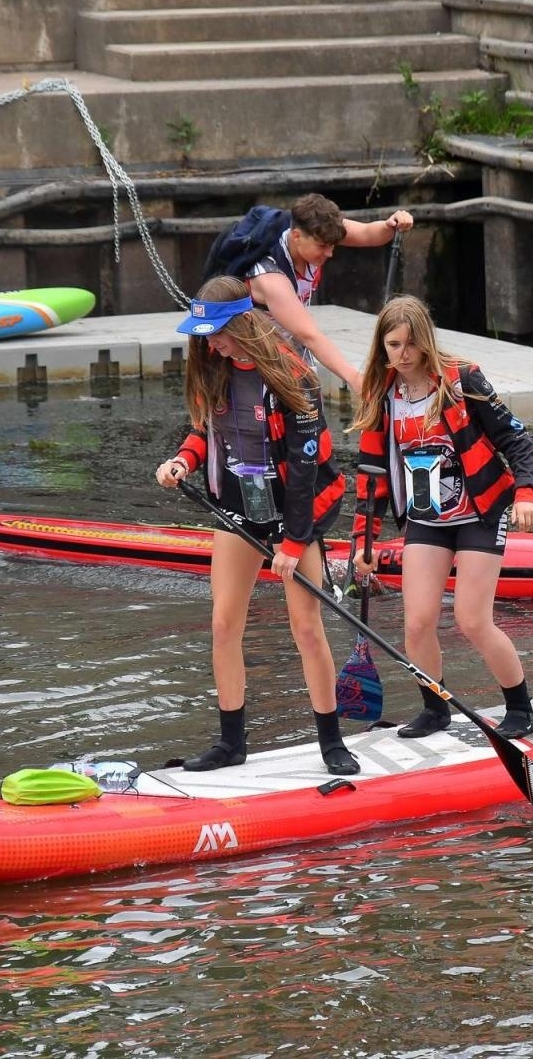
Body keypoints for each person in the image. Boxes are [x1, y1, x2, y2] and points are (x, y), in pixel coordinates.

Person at [155, 275, 358, 776]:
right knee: (224, 624)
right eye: (204, 336)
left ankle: (332, 742)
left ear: (243, 324)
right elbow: (206, 433)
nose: (211, 345)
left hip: (294, 510)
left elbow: (306, 469)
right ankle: (231, 743)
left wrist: (293, 542)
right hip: (239, 509)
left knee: (306, 628)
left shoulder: (294, 375)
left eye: (217, 334)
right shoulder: (212, 367)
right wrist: (182, 461)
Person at [349, 296, 533, 740]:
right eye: (393, 345)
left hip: (480, 510)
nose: (402, 355)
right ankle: (435, 710)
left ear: (426, 342)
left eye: (410, 344)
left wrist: (527, 492)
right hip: (426, 517)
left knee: (472, 620)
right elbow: (372, 475)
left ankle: (520, 707)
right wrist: (365, 541)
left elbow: (516, 439)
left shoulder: (462, 379)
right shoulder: (382, 395)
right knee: (417, 624)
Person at [218, 192, 414, 389]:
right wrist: (355, 378)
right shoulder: (270, 278)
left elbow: (366, 233)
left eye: (333, 245)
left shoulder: (320, 231)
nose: (330, 253)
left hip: (290, 346)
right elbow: (310, 335)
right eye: (323, 246)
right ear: (296, 236)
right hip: (255, 356)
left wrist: (391, 224)